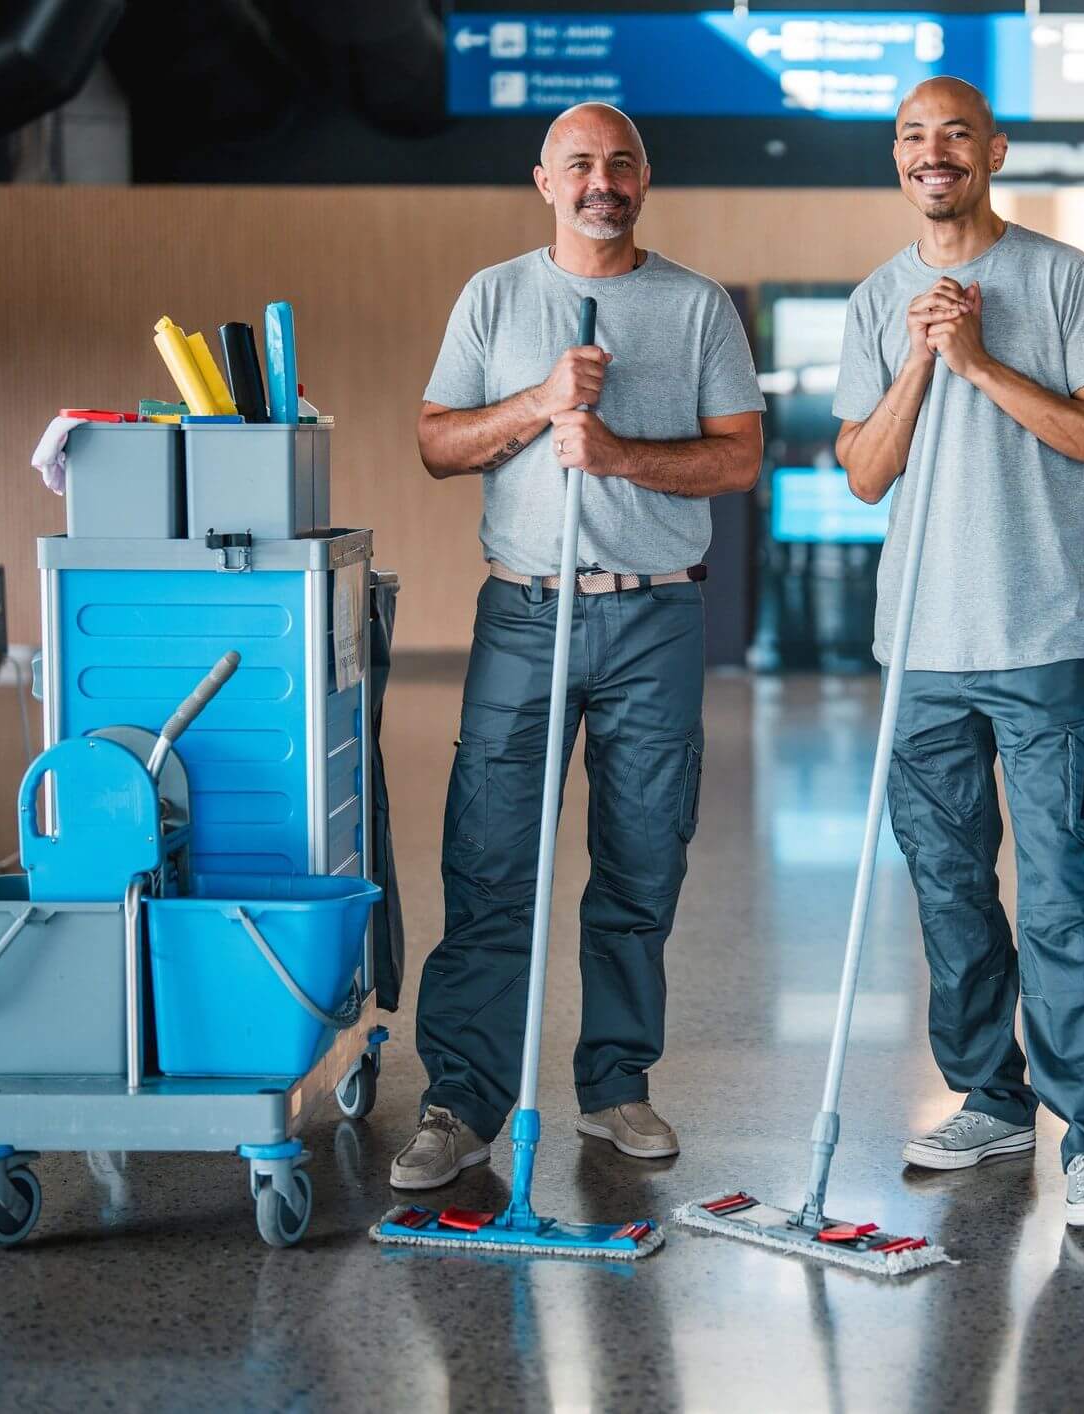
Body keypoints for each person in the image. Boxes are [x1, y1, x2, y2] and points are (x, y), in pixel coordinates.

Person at [392, 102, 764, 1189]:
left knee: (644, 859)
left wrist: (614, 452)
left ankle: (614, 1086)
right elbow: (436, 443)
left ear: (644, 179)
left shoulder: (696, 308)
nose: (603, 179)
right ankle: (463, 1097)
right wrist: (539, 403)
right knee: (491, 859)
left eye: (622, 163)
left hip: (656, 613)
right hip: (522, 609)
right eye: (581, 164)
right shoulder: (494, 296)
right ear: (544, 180)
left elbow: (736, 461)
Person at [832, 77, 1084, 1228]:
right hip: (920, 645)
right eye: (914, 137)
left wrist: (977, 361)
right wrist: (920, 358)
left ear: (994, 151)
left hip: (1037, 637)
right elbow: (865, 472)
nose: (933, 152)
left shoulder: (1061, 278)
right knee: (950, 891)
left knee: (1063, 897)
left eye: (955, 133)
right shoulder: (876, 301)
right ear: (897, 161)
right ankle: (990, 1094)